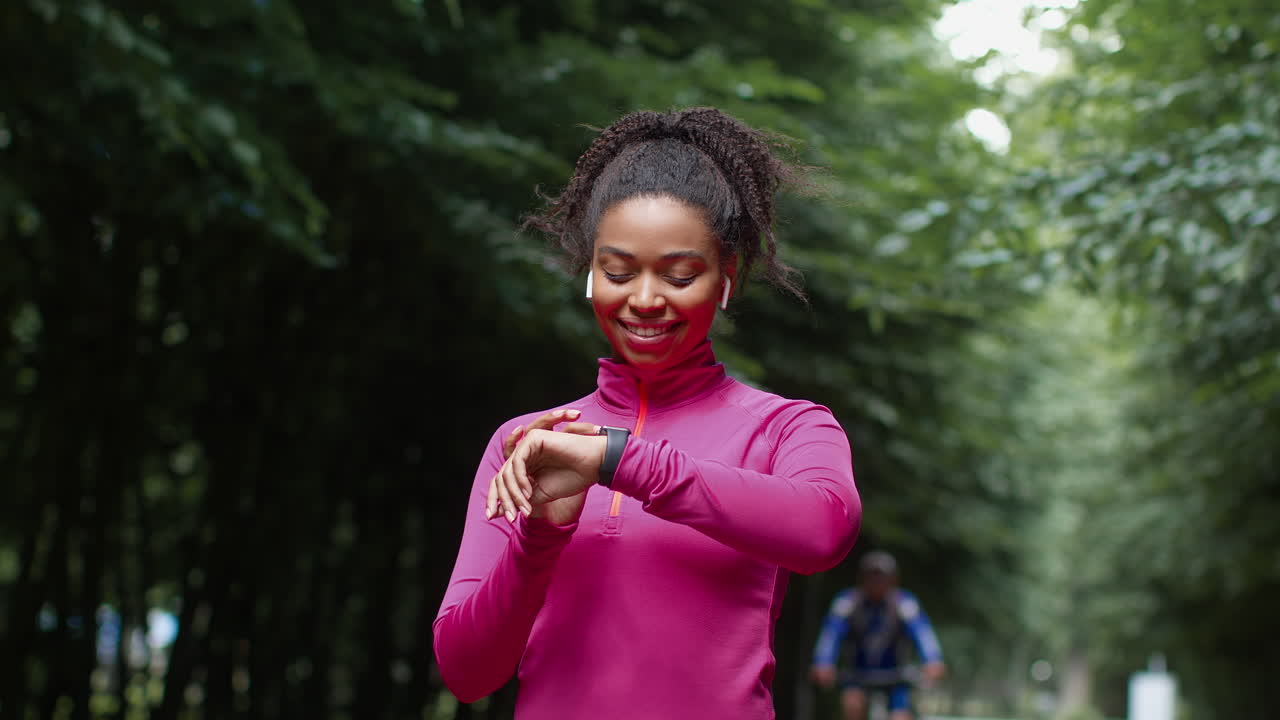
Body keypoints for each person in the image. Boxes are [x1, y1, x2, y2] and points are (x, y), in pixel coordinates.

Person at [432, 107, 862, 719]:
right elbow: (466, 671)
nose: (644, 299)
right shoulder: (528, 444)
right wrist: (540, 535)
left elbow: (825, 528)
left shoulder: (788, 427)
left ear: (726, 279)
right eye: (617, 271)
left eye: (680, 275)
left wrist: (618, 458)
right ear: (589, 275)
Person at [810, 551, 945, 720]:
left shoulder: (904, 603)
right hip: (857, 675)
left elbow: (922, 632)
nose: (876, 581)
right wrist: (823, 661)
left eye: (882, 576)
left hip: (896, 675)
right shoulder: (847, 602)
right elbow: (831, 632)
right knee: (852, 705)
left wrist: (933, 660)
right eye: (871, 576)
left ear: (893, 579)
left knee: (900, 717)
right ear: (862, 578)